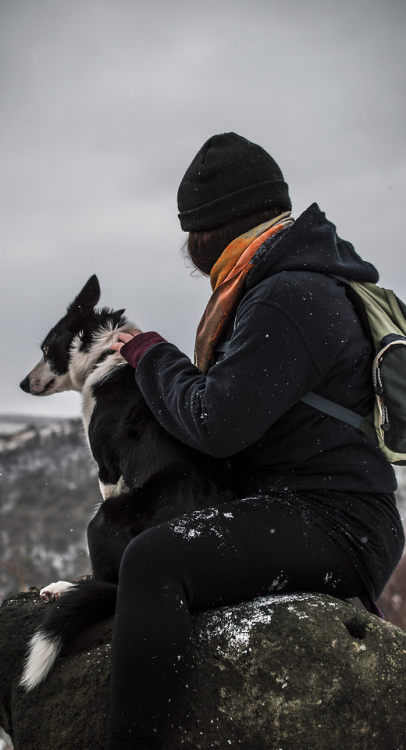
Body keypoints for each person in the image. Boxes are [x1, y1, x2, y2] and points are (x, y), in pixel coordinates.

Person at [107, 132, 405, 749]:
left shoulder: (288, 295)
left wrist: (150, 354)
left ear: (207, 234)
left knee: (154, 562)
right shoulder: (296, 276)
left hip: (337, 521)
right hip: (319, 509)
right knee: (134, 539)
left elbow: (217, 424)